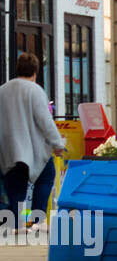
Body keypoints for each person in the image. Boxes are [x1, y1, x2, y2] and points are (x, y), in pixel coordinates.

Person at [0, 52, 66, 224]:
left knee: (16, 189)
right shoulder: (35, 91)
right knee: (46, 177)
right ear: (35, 72)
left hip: (8, 150)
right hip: (33, 150)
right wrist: (57, 143)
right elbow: (45, 121)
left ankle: (15, 223)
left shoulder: (3, 90)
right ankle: (37, 219)